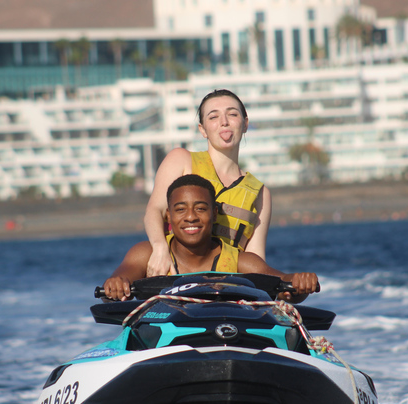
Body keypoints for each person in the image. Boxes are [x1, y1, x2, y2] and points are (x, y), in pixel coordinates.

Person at [105, 174, 319, 303]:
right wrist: (115, 286)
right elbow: (111, 289)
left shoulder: (241, 261)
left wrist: (301, 283)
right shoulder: (145, 254)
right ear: (168, 215)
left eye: (200, 208)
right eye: (180, 210)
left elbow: (284, 288)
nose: (190, 217)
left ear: (215, 214)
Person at [143, 89, 272, 277]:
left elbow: (256, 257)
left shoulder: (260, 193)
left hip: (228, 289)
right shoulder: (181, 160)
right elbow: (154, 211)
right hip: (174, 279)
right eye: (213, 117)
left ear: (245, 124)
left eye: (232, 114)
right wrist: (159, 248)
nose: (224, 122)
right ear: (202, 129)